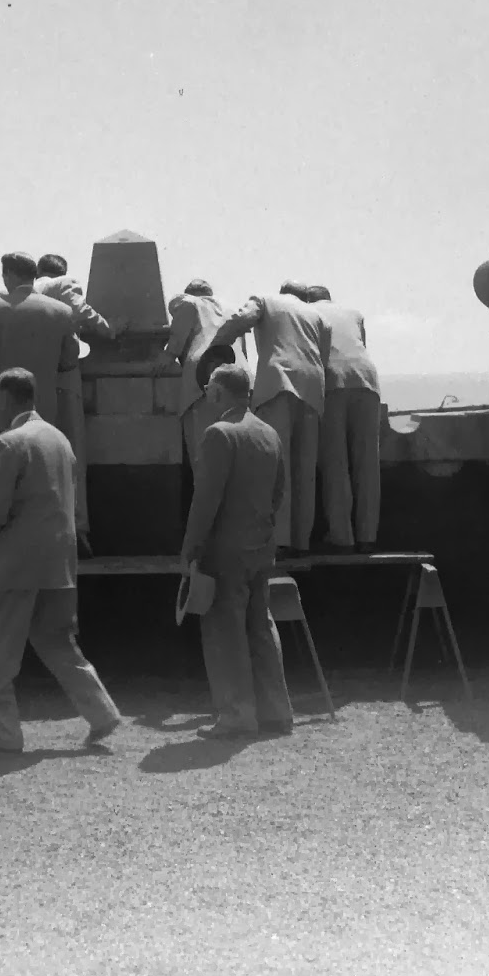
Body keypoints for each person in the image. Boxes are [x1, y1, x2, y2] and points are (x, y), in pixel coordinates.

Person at [0, 368, 122, 753]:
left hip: (17, 562)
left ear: (4, 399)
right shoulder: (60, 440)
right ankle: (102, 712)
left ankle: (3, 733)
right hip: (60, 562)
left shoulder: (8, 443)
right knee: (58, 643)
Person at [179, 363, 294, 739]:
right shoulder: (268, 434)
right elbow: (278, 493)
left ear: (219, 392)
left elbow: (205, 501)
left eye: (210, 386)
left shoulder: (219, 434)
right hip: (260, 549)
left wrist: (191, 549)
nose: (207, 392)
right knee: (261, 628)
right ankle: (276, 711)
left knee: (224, 634)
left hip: (224, 553)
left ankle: (236, 715)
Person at [209, 280, 332, 556]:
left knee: (277, 467)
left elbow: (242, 319)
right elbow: (322, 356)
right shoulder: (319, 316)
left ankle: (280, 541)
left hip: (278, 382)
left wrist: (216, 346)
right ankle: (302, 542)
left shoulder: (264, 300)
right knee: (305, 471)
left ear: (282, 293)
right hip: (313, 388)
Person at [0, 252, 79, 492]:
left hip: (1, 400)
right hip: (44, 402)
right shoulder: (62, 311)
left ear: (9, 275)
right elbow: (70, 359)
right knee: (41, 466)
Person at [34, 253, 113, 555]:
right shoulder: (63, 284)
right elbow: (81, 311)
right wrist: (110, 328)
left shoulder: (20, 292)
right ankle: (76, 532)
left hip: (25, 381)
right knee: (70, 455)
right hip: (62, 380)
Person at [306, 285, 382, 552]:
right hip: (368, 380)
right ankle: (367, 537)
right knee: (367, 464)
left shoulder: (307, 311)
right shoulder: (353, 312)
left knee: (335, 462)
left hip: (332, 380)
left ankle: (342, 536)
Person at [159, 278, 249, 469]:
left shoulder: (190, 302)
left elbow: (175, 344)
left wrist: (164, 359)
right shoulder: (232, 309)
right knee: (239, 450)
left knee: (204, 451)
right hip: (240, 374)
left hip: (203, 376)